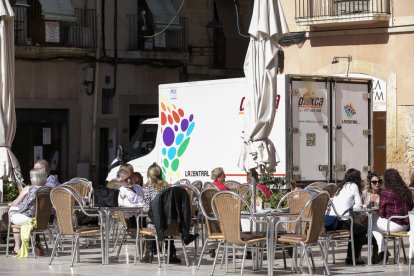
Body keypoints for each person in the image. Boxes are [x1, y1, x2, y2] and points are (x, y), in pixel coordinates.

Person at [371, 168, 414, 263]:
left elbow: (382, 213)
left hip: (394, 225)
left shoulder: (386, 193)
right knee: (375, 225)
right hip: (406, 225)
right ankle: (382, 251)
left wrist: (378, 202)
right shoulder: (406, 191)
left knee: (372, 220)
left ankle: (382, 250)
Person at [328, 168, 367, 265]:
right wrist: (354, 207)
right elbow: (358, 206)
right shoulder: (353, 186)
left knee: (355, 228)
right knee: (361, 229)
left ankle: (351, 256)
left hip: (331, 220)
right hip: (341, 220)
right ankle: (352, 257)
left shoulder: (340, 187)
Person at [7, 169, 47, 255]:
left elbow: (16, 203)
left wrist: (10, 204)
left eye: (31, 177)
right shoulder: (48, 189)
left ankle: (17, 247)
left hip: (29, 219)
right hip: (43, 220)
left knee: (12, 215)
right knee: (16, 216)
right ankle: (33, 244)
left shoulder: (28, 189)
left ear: (33, 178)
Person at [140, 163, 171, 263]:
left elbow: (147, 208)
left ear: (149, 175)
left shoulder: (147, 188)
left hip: (155, 225)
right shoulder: (168, 187)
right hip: (170, 224)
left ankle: (149, 252)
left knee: (148, 220)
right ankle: (172, 252)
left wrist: (141, 209)